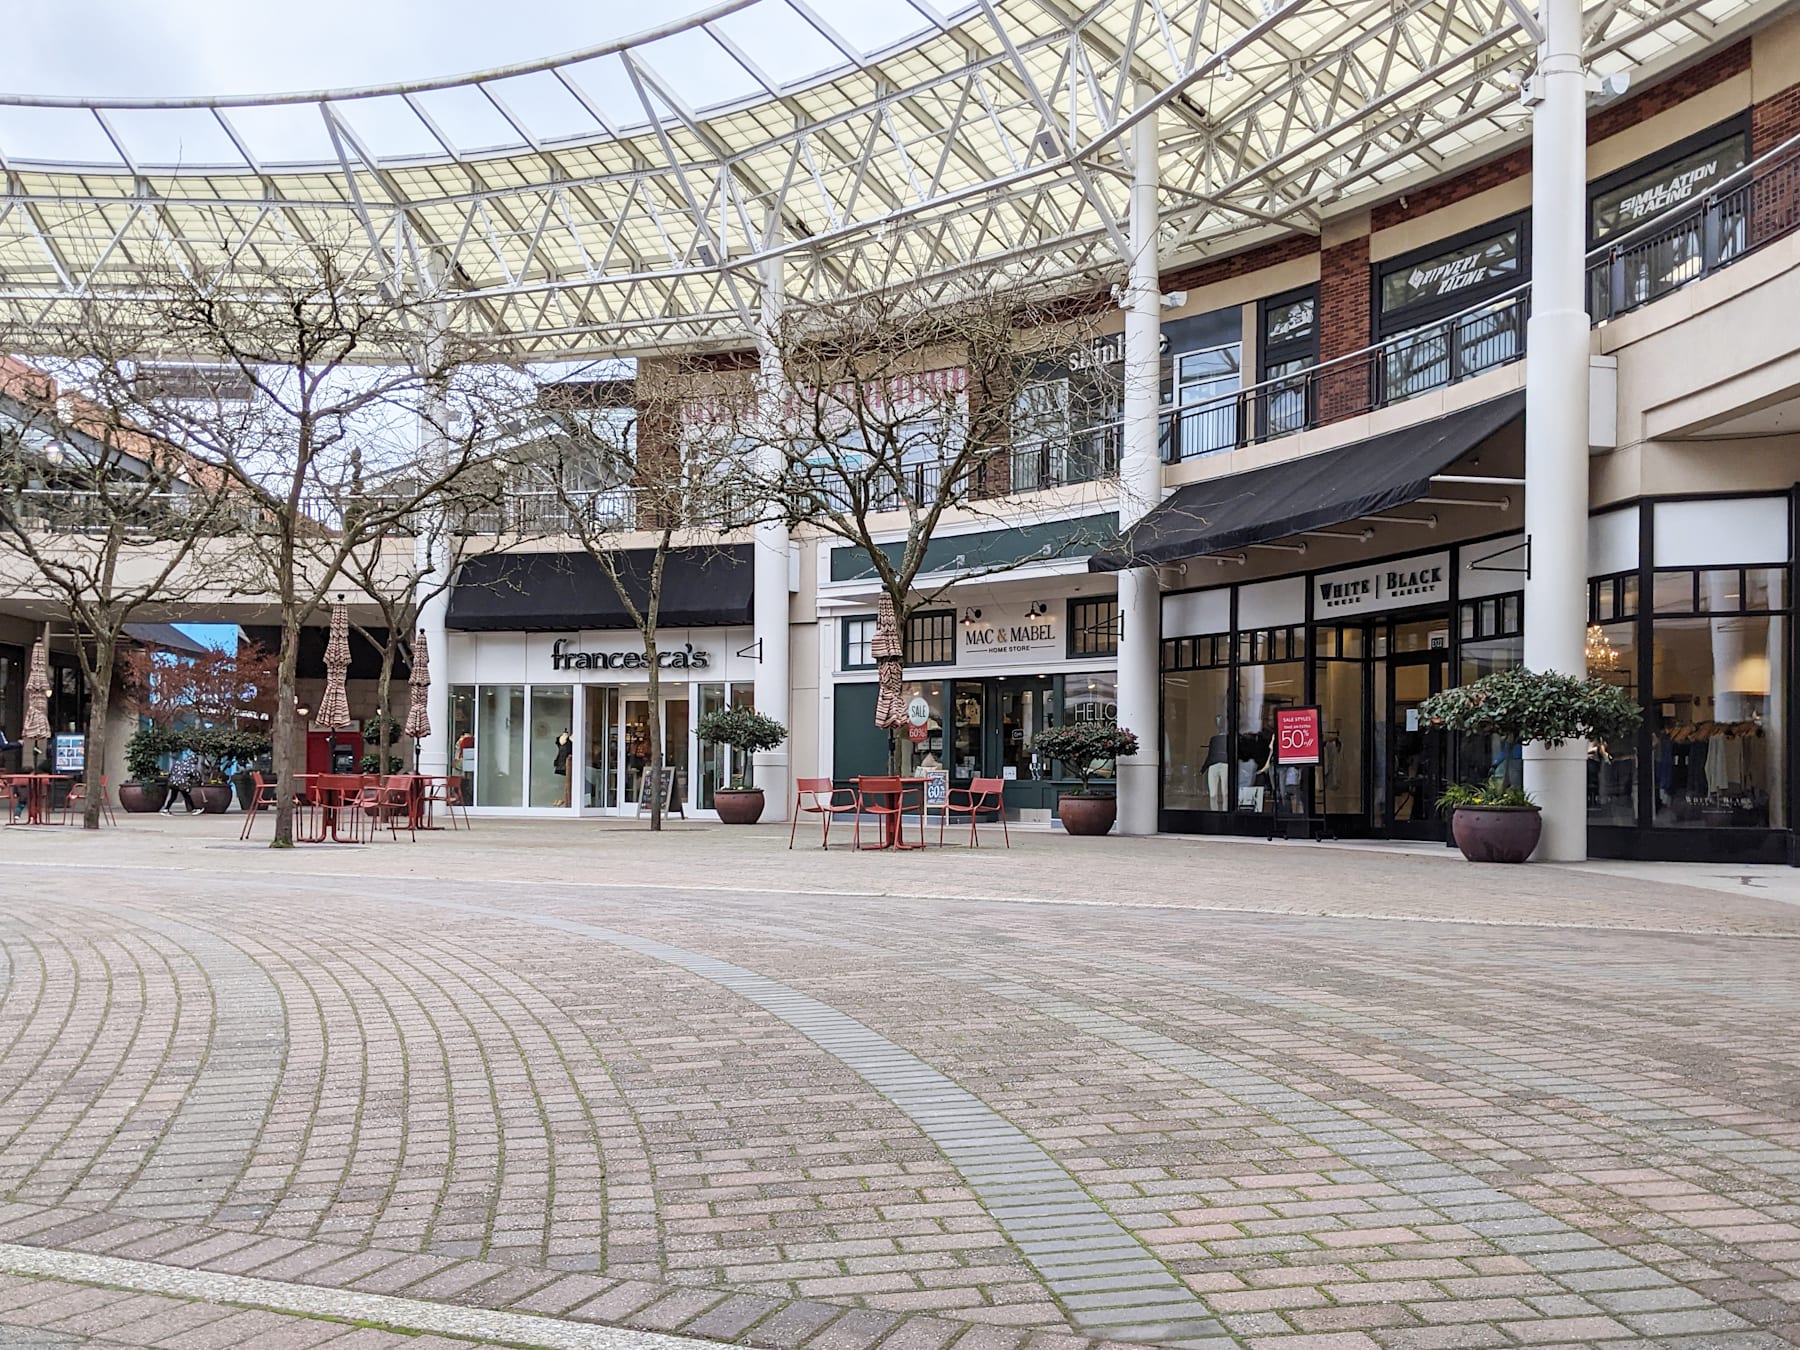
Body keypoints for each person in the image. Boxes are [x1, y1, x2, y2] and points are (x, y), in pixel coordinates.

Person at [164, 750, 202, 814]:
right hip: (182, 783)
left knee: (173, 797)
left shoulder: (178, 764)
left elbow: (171, 772)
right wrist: (199, 781)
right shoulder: (190, 766)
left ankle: (166, 809)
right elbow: (195, 774)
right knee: (186, 796)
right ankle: (194, 809)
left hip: (173, 782)